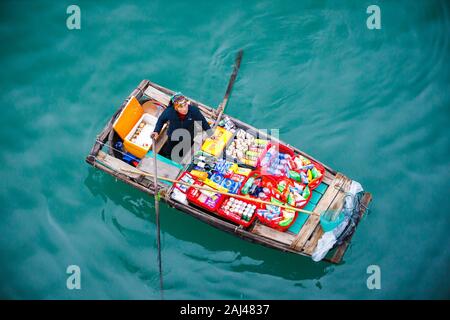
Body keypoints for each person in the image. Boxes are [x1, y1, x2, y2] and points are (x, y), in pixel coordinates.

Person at [151, 93, 214, 161]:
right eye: (181, 107)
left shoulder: (194, 111)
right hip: (173, 135)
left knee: (183, 151)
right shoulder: (169, 112)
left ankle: (179, 158)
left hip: (188, 136)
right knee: (169, 149)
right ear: (176, 108)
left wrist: (210, 133)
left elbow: (203, 122)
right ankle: (168, 156)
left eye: (185, 105)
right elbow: (161, 120)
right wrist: (156, 131)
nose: (184, 109)